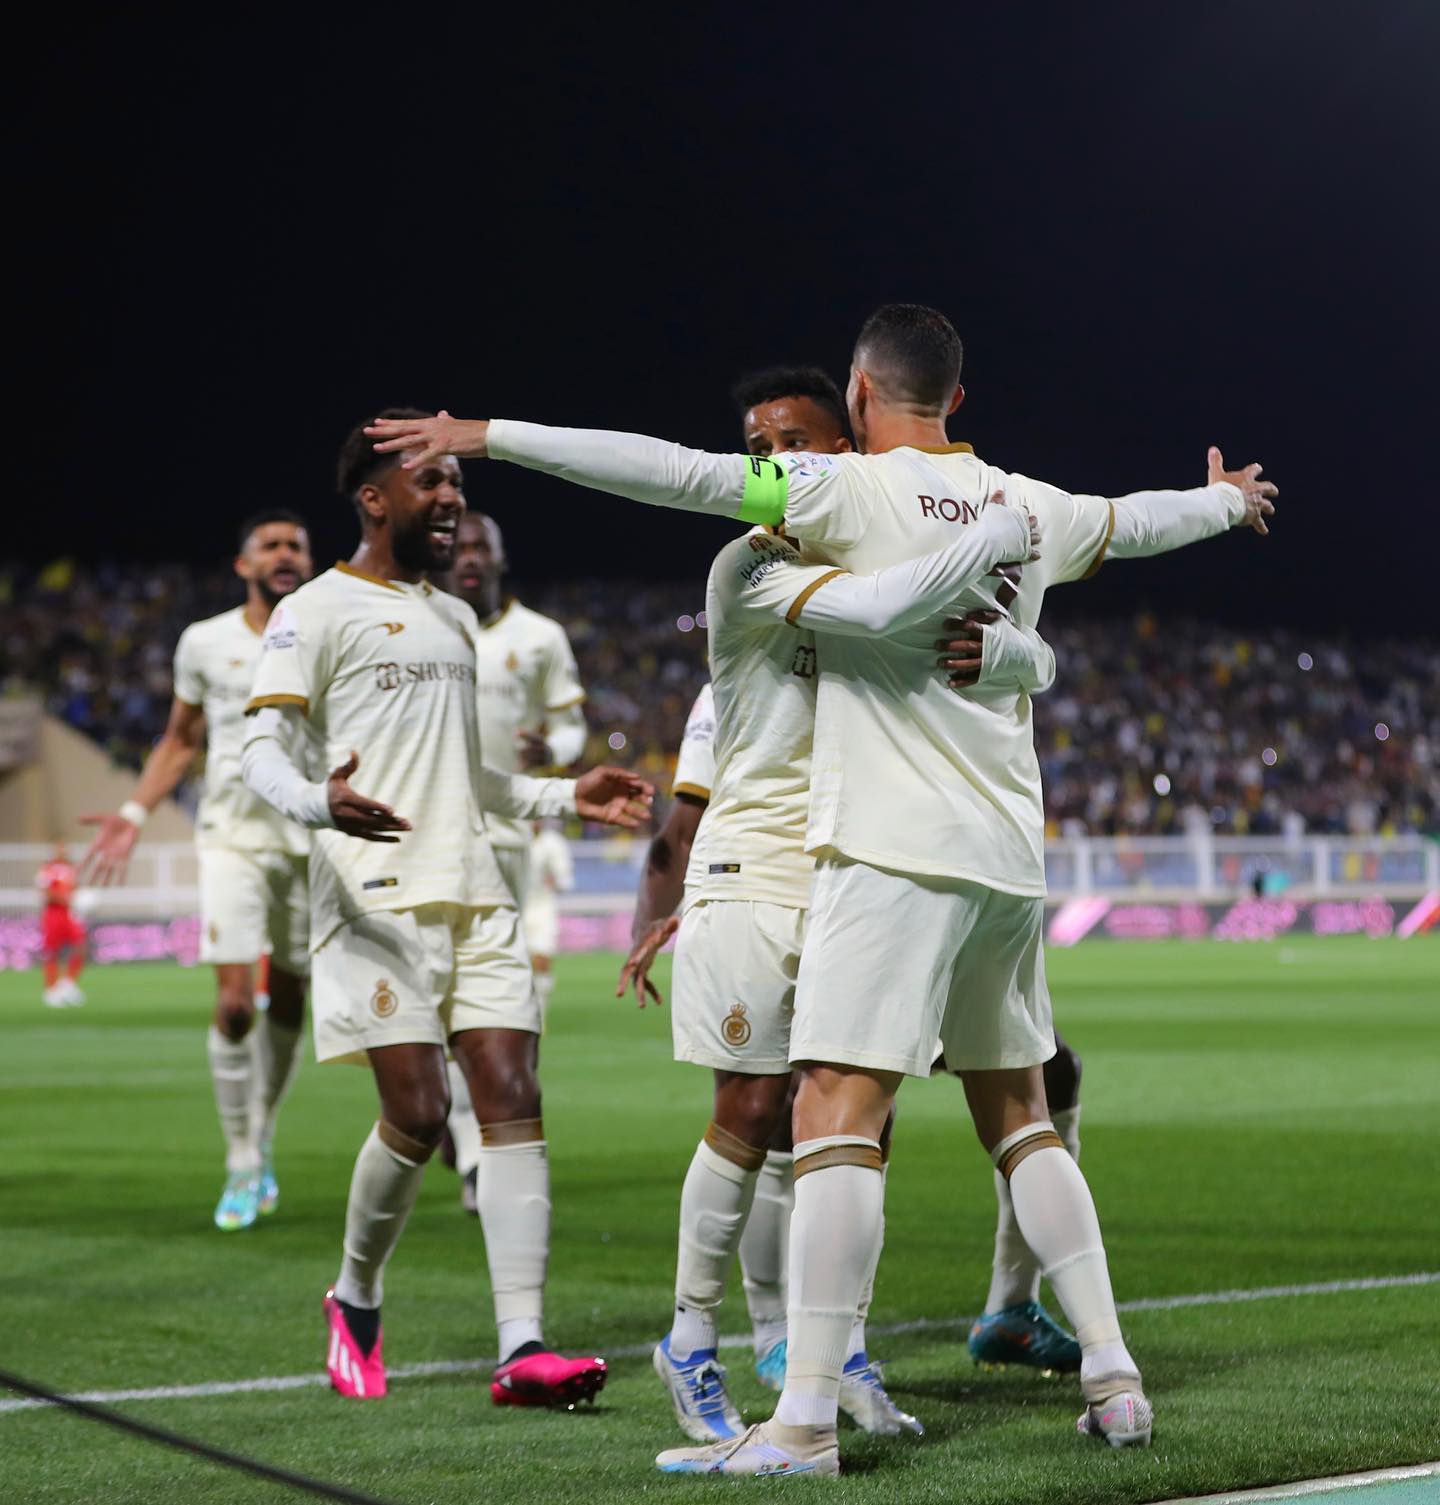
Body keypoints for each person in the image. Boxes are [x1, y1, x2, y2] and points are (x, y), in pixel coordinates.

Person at [365, 309, 1276, 1476]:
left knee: (833, 1117)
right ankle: (1112, 1373)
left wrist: (487, 433)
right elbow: (1141, 521)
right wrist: (1225, 503)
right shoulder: (1029, 502)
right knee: (1023, 1116)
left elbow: (668, 470)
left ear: (858, 394)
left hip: (891, 849)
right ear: (958, 395)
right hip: (1007, 853)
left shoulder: (840, 492)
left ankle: (800, 1420)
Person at [616, 365, 1046, 1445]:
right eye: (759, 448)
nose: (776, 463)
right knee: (753, 1106)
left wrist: (1022, 649)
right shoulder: (751, 564)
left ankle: (838, 1350)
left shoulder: (883, 545)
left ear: (846, 452)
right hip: (757, 865)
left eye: (796, 442)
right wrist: (997, 532)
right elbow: (886, 611)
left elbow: (1000, 653)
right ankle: (690, 1337)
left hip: (857, 863)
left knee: (858, 1120)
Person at [239, 409, 653, 1407]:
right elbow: (259, 754)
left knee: (512, 1092)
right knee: (419, 1113)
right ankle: (355, 1292)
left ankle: (523, 1344)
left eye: (457, 483)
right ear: (374, 498)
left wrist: (566, 794)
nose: (452, 498)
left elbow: (468, 774)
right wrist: (318, 801)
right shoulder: (314, 610)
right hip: (374, 896)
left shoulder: (458, 619)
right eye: (431, 481)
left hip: (476, 888)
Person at [80, 512, 315, 1231]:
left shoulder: (329, 631)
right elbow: (181, 741)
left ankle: (261, 1128)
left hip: (310, 839)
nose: (284, 554)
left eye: (295, 545)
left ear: (309, 562)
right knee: (237, 1003)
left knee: (291, 994)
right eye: (270, 546)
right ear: (244, 564)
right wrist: (134, 810)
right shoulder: (205, 641)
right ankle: (241, 1155)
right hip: (231, 838)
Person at [438, 511, 588, 1214]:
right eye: (460, 547)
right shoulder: (424, 625)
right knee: (444, 1000)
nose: (470, 558)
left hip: (509, 837)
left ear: (499, 558)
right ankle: (465, 1138)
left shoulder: (540, 637)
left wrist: (552, 750)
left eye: (481, 548)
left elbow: (571, 724)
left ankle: (470, 1139)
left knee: (502, 1001)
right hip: (432, 836)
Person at [37, 844, 87, 1007]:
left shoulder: (71, 869)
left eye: (64, 847)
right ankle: (51, 989)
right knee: (52, 951)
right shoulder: (47, 869)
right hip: (53, 913)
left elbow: (76, 889)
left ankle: (67, 984)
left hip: (69, 913)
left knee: (80, 947)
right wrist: (63, 899)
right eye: (59, 847)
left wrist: (83, 899)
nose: (62, 851)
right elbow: (45, 893)